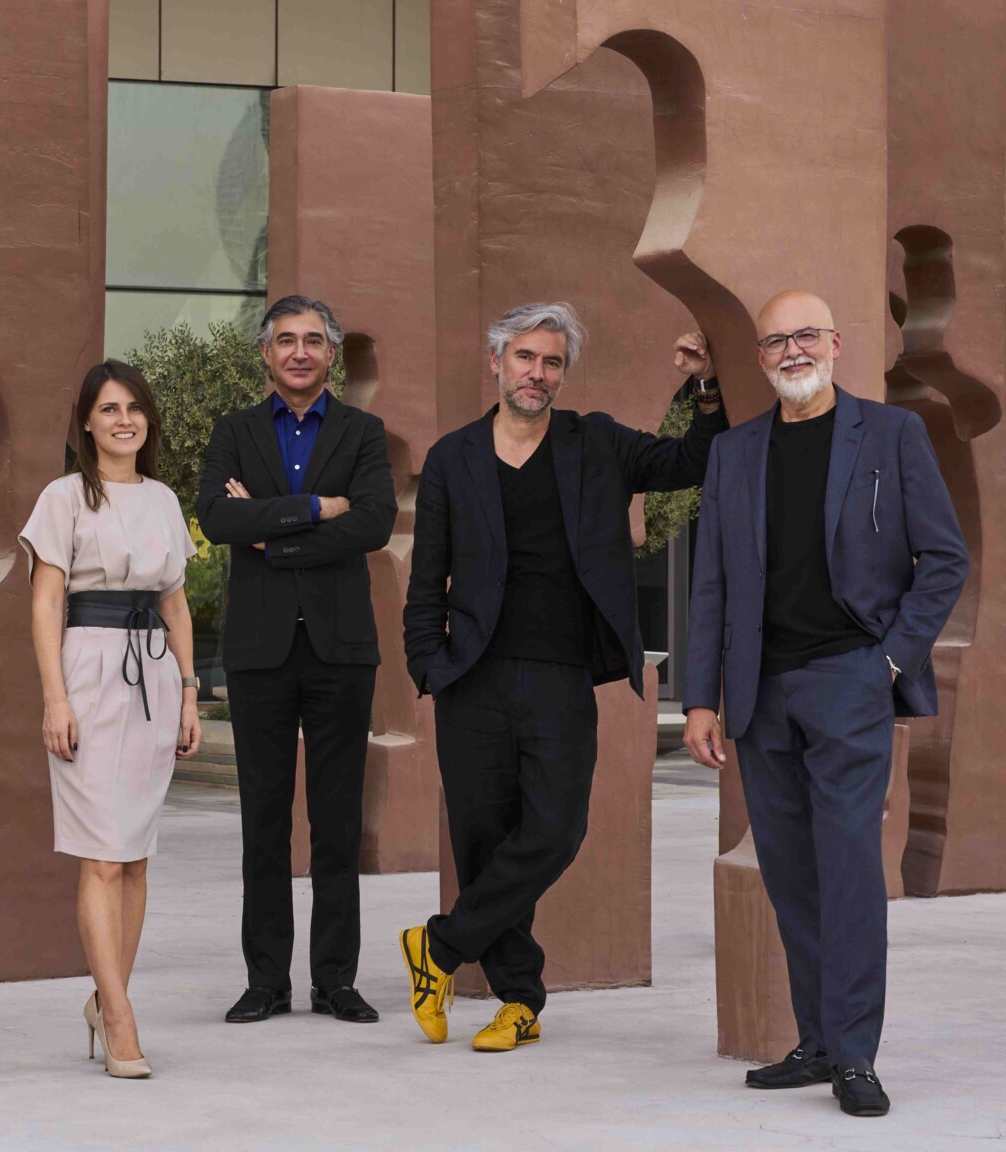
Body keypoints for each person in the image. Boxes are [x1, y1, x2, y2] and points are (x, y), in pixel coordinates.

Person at [398, 301, 725, 1052]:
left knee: (555, 829)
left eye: (551, 362)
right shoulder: (455, 457)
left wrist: (706, 390)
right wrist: (428, 666)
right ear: (496, 363)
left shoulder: (597, 443)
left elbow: (689, 462)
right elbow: (428, 577)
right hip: (471, 676)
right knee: (483, 841)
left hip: (561, 674)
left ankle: (439, 947)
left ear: (562, 373)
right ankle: (520, 1000)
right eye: (524, 358)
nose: (537, 373)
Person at [682, 290, 967, 1117]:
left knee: (847, 875)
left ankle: (856, 1054)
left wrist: (886, 663)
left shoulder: (892, 434)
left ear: (836, 343)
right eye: (774, 341)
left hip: (849, 678)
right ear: (761, 357)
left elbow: (944, 558)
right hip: (759, 691)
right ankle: (816, 1039)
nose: (790, 351)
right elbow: (712, 584)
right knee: (791, 876)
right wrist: (700, 698)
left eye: (805, 335)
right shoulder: (734, 453)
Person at [195, 295, 396, 1025]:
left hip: (342, 652)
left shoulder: (364, 432)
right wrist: (317, 509)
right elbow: (217, 517)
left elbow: (373, 521)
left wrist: (270, 532)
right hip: (259, 653)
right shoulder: (234, 431)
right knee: (265, 823)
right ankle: (266, 982)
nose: (300, 352)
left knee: (338, 824)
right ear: (266, 354)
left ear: (331, 353)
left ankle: (335, 981)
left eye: (314, 340)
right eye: (287, 340)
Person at [20, 360, 202, 1079]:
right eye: (109, 408)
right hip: (89, 673)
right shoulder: (63, 498)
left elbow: (177, 604)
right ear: (87, 422)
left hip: (153, 677)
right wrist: (54, 697)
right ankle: (120, 1016)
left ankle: (106, 997)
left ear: (146, 420)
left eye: (134, 408)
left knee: (133, 856)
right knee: (100, 854)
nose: (124, 419)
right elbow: (44, 603)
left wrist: (190, 693)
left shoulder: (161, 498)